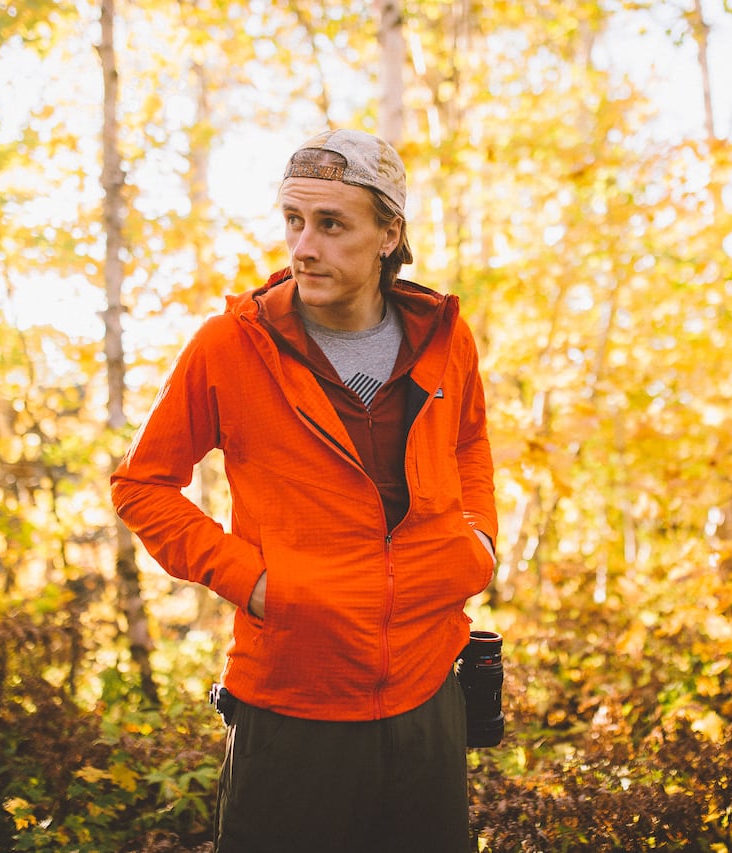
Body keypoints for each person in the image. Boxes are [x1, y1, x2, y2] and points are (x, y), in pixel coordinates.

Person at [110, 128, 498, 853]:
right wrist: (256, 582)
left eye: (330, 224)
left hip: (428, 691)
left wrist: (476, 541)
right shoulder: (230, 346)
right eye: (293, 220)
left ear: (389, 232)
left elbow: (470, 442)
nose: (303, 246)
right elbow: (142, 483)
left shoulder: (446, 337)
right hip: (293, 702)